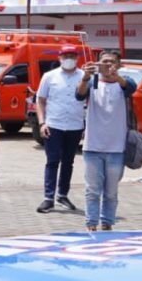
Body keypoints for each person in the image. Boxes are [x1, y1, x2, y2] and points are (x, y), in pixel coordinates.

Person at [75, 50, 136, 231]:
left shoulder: (124, 83)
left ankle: (107, 222)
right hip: (92, 146)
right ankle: (91, 223)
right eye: (104, 62)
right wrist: (85, 77)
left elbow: (130, 88)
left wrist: (115, 76)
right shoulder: (93, 82)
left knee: (110, 192)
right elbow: (78, 95)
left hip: (117, 148)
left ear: (119, 65)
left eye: (112, 62)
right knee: (92, 190)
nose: (108, 65)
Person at [34, 44, 85, 213]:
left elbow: (90, 101)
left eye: (72, 56)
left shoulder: (84, 77)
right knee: (52, 161)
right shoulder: (49, 76)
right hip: (54, 124)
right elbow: (41, 100)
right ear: (59, 58)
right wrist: (42, 123)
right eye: (65, 56)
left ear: (77, 58)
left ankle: (62, 194)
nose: (69, 59)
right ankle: (48, 197)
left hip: (75, 125)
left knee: (68, 162)